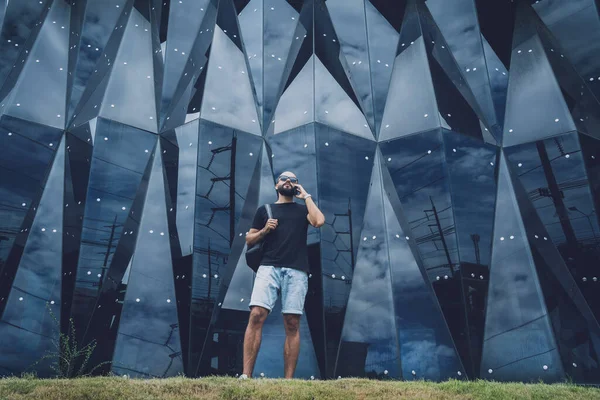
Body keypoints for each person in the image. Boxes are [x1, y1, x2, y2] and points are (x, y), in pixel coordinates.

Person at [240, 171, 325, 379]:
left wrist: (306, 196)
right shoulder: (265, 210)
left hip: (297, 270)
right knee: (256, 315)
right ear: (276, 184)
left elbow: (319, 221)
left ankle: (288, 382)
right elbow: (249, 239)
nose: (288, 181)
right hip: (268, 267)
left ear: (296, 186)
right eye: (284, 179)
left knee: (292, 322)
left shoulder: (302, 209)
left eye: (293, 180)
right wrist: (264, 231)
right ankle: (245, 376)